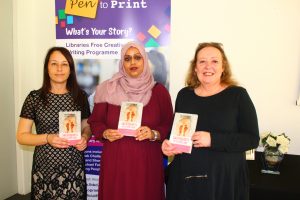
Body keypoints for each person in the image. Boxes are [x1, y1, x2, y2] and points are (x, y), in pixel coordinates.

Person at [162, 42, 259, 200]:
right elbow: (175, 130)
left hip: (223, 183)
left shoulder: (238, 95)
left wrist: (213, 139)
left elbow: (252, 139)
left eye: (214, 61)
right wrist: (167, 144)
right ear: (195, 68)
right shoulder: (184, 95)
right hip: (186, 183)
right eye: (202, 61)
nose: (208, 66)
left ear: (223, 67)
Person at [88, 41, 173, 200]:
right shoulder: (106, 88)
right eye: (127, 59)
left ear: (144, 60)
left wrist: (153, 133)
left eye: (137, 57)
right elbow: (95, 122)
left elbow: (168, 124)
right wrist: (105, 132)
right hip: (116, 162)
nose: (132, 62)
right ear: (122, 62)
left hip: (147, 163)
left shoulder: (159, 91)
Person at [16, 47, 91, 199]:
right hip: (45, 170)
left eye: (64, 64)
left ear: (71, 69)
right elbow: (22, 136)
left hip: (73, 169)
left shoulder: (80, 96)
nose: (59, 69)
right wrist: (48, 138)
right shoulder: (34, 98)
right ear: (47, 68)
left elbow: (87, 126)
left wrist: (85, 137)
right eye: (54, 64)